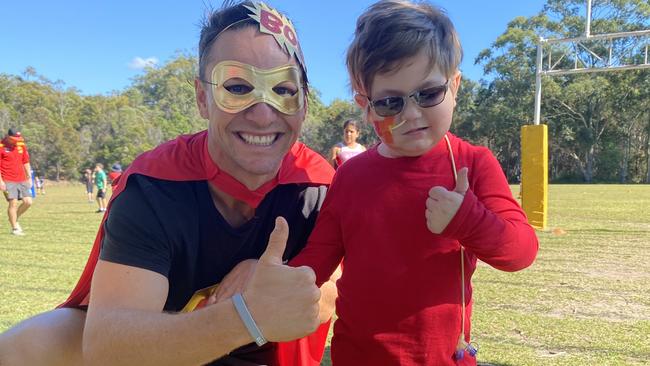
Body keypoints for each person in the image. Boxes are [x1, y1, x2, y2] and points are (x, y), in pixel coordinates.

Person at [0, 2, 337, 366]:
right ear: (202, 97)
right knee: (25, 346)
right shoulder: (155, 185)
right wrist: (247, 315)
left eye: (284, 90)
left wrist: (276, 278)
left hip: (266, 356)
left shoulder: (316, 186)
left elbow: (330, 295)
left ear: (304, 104)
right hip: (162, 352)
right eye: (238, 87)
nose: (262, 113)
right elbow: (108, 348)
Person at [290, 1, 539, 365]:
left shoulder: (473, 164)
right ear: (366, 105)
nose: (411, 114)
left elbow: (521, 251)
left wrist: (466, 219)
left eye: (428, 94)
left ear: (454, 85)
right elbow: (319, 258)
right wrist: (279, 283)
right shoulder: (351, 175)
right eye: (390, 102)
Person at [0, 128, 33, 235]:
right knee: (13, 203)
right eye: (14, 138)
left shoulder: (21, 145)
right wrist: (1, 181)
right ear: (8, 137)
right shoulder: (1, 146)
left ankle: (14, 218)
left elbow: (26, 161)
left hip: (21, 178)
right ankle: (15, 228)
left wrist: (29, 177)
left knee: (28, 202)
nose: (17, 141)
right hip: (7, 179)